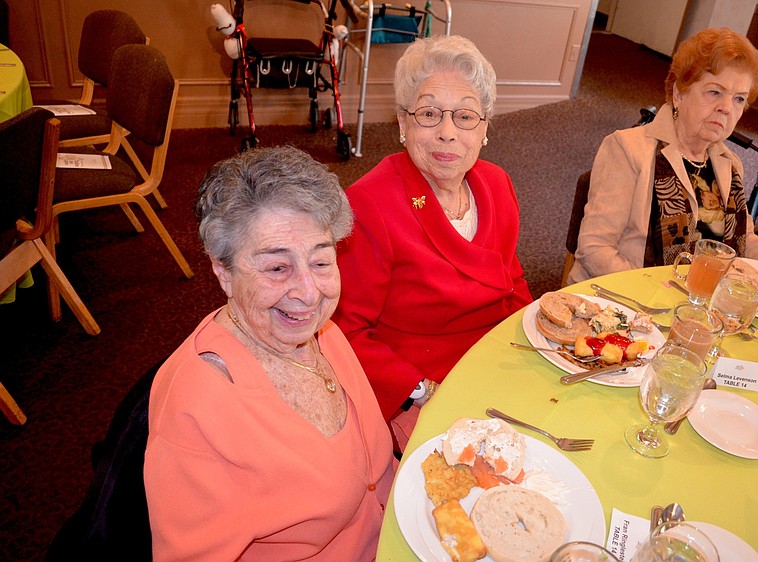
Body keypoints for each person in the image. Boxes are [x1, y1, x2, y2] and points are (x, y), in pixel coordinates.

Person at [144, 147, 394, 561]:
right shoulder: (197, 407)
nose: (309, 293)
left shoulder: (323, 333)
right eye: (277, 268)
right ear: (223, 272)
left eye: (320, 261)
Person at [333, 35, 532, 451]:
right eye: (428, 114)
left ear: (485, 128)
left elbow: (513, 283)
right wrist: (419, 390)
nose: (447, 133)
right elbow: (344, 330)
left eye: (465, 116)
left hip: (495, 362)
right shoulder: (369, 204)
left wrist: (532, 351)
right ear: (403, 124)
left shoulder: (497, 184)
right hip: (420, 387)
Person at [569, 27, 758, 284]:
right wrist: (663, 293)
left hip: (696, 303)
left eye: (739, 99)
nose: (726, 108)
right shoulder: (628, 149)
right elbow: (595, 250)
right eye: (715, 92)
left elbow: (741, 242)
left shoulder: (729, 164)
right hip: (627, 301)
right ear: (678, 94)